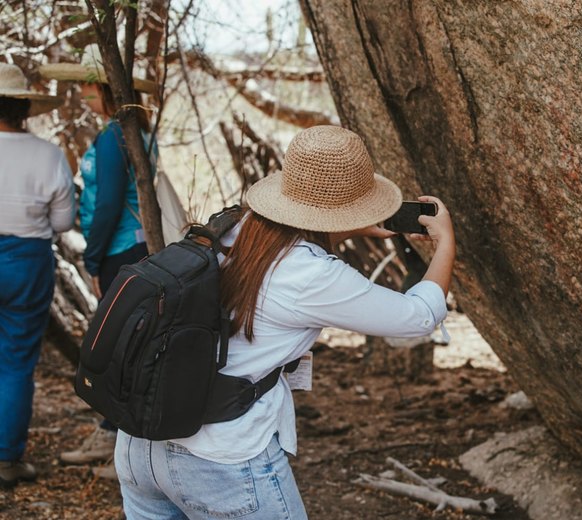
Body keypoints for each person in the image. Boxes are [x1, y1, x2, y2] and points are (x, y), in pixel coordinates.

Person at [113, 125, 455, 519]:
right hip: (220, 456)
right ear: (348, 210)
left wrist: (341, 225)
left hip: (140, 442)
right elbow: (419, 316)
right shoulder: (312, 274)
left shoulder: (230, 228)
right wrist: (446, 242)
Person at [40, 46, 157, 475]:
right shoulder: (140, 131)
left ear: (106, 90)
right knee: (131, 342)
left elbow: (107, 204)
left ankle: (118, 441)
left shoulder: (113, 137)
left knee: (119, 345)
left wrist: (92, 260)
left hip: (119, 250)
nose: (84, 98)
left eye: (89, 90)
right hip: (135, 246)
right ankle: (121, 439)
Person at [0, 63, 74, 488]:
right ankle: (7, 460)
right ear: (26, 108)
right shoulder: (47, 155)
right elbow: (63, 223)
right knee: (15, 363)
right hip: (26, 262)